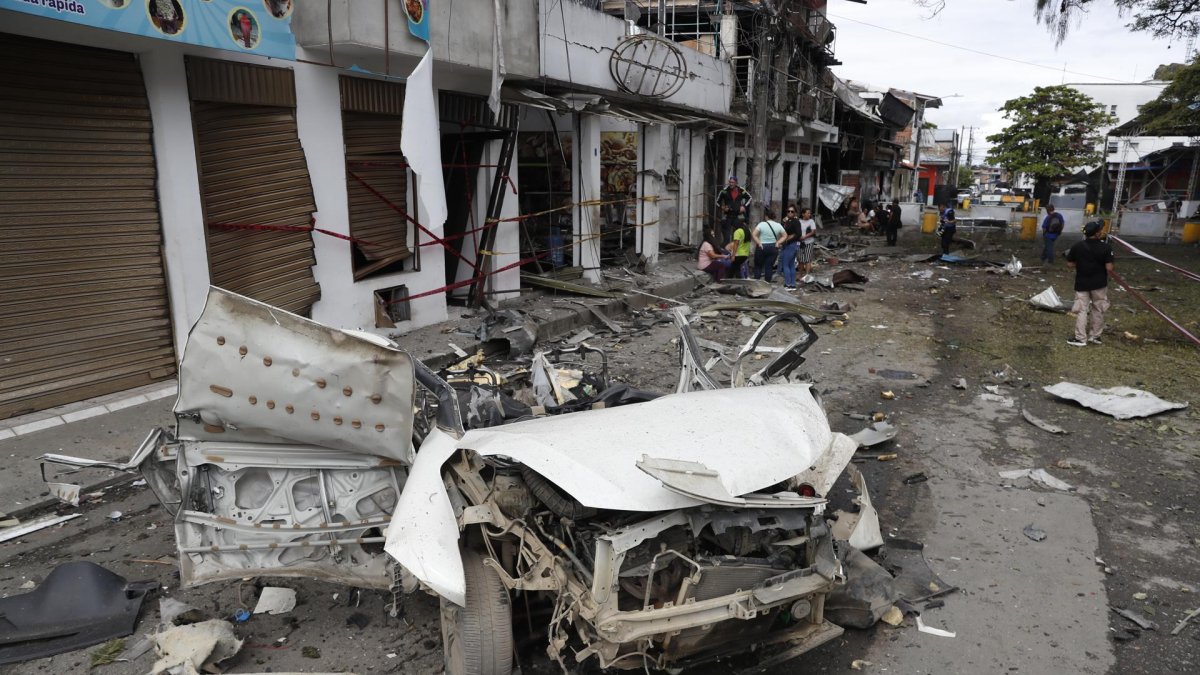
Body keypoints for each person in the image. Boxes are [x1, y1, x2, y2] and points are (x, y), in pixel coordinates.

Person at [1064, 220, 1115, 346]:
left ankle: (1080, 338)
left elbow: (1070, 264)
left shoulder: (1077, 246)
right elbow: (1109, 268)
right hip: (1099, 283)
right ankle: (1095, 336)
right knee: (1098, 309)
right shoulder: (1106, 247)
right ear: (1098, 233)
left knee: (1082, 310)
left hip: (1082, 282)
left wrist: (1081, 263)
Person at [751, 207, 786, 282]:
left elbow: (754, 234)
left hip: (762, 247)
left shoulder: (762, 224)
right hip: (773, 247)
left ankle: (756, 284)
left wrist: (759, 242)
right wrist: (778, 242)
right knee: (769, 267)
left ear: (766, 216)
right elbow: (785, 236)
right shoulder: (778, 225)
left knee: (758, 267)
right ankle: (767, 285)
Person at [715, 176, 751, 242]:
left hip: (738, 216)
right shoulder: (724, 191)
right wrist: (722, 207)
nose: (731, 184)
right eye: (730, 182)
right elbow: (717, 202)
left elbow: (750, 198)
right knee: (727, 238)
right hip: (727, 216)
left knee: (739, 235)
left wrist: (744, 206)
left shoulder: (741, 190)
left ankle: (736, 249)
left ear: (736, 183)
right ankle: (727, 250)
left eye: (733, 182)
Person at [778, 205, 803, 290]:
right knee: (791, 265)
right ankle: (792, 285)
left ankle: (788, 284)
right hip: (790, 244)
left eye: (792, 211)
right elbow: (782, 230)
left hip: (791, 245)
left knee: (785, 264)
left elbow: (798, 234)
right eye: (788, 211)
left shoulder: (796, 221)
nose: (790, 213)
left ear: (795, 212)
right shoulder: (788, 221)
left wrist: (788, 240)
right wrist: (783, 222)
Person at [727, 214, 753, 279]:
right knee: (736, 268)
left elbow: (736, 244)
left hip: (738, 254)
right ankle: (734, 280)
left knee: (734, 268)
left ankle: (731, 281)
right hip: (745, 254)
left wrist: (733, 255)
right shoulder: (748, 230)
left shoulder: (738, 232)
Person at [796, 207, 819, 277]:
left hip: (809, 242)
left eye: (809, 213)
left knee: (808, 259)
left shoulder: (811, 221)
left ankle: (807, 275)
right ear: (803, 214)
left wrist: (804, 237)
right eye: (807, 213)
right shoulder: (798, 221)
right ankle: (800, 274)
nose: (809, 214)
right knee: (800, 259)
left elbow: (813, 231)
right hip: (800, 242)